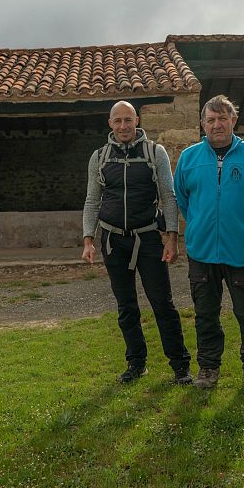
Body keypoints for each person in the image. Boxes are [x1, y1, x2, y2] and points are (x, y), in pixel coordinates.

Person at [82, 101, 192, 384]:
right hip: (113, 241)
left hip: (148, 239)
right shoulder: (99, 157)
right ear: (110, 124)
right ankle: (136, 363)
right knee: (126, 305)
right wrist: (88, 239)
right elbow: (93, 200)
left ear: (137, 121)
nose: (123, 126)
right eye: (117, 121)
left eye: (127, 120)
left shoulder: (156, 152)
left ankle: (180, 367)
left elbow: (169, 196)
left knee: (162, 304)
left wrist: (171, 237)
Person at [174, 95, 244, 393]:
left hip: (242, 251)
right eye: (211, 119)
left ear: (233, 120)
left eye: (223, 118)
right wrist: (201, 226)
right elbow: (183, 200)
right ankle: (208, 367)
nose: (217, 124)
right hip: (202, 251)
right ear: (202, 124)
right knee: (205, 313)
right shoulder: (189, 158)